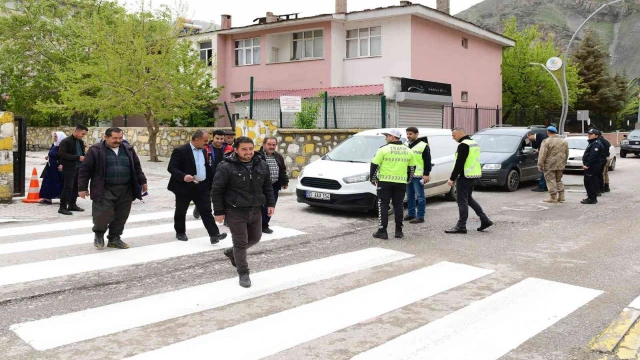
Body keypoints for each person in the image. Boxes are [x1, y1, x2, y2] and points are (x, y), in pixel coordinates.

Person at [211, 136, 276, 288]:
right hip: (235, 210)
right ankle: (243, 272)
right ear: (235, 150)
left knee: (256, 237)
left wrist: (270, 203)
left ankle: (231, 252)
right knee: (240, 243)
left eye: (250, 149)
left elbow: (267, 186)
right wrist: (218, 211)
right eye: (244, 149)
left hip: (255, 209)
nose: (248, 152)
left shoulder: (261, 164)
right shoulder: (225, 166)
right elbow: (217, 190)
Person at [78, 128, 148, 249]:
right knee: (102, 214)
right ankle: (99, 234)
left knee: (121, 215)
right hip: (104, 188)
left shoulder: (128, 150)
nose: (118, 141)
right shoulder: (96, 150)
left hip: (126, 188)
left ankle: (114, 238)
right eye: (114, 138)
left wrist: (142, 181)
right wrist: (82, 188)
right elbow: (85, 170)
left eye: (120, 138)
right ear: (106, 137)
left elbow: (137, 167)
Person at [167, 130, 227, 244]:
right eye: (205, 141)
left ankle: (214, 235)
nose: (207, 143)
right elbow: (171, 167)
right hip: (184, 186)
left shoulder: (204, 150)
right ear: (196, 140)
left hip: (201, 186)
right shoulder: (180, 150)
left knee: (206, 211)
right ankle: (180, 232)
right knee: (181, 210)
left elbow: (204, 167)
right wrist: (183, 176)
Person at [370, 129, 417, 240]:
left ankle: (382, 231)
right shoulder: (408, 150)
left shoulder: (383, 149)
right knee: (399, 205)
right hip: (400, 182)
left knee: (383, 205)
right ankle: (399, 231)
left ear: (392, 137)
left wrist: (372, 178)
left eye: (387, 136)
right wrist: (408, 180)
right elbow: (412, 167)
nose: (385, 138)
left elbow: (374, 164)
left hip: (385, 182)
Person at [446, 127, 493, 234]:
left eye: (454, 135)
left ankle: (461, 226)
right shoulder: (474, 143)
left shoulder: (464, 145)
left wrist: (452, 178)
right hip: (474, 175)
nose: (453, 138)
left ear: (460, 134)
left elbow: (460, 163)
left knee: (462, 201)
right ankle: (485, 220)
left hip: (465, 176)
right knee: (469, 199)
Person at [193, 130, 232, 220]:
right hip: (208, 177)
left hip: (223, 177)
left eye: (222, 138)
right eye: (217, 138)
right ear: (213, 138)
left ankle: (226, 218)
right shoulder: (205, 148)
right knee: (206, 197)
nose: (219, 140)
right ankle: (198, 208)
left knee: (224, 197)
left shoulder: (229, 149)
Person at [258, 137, 289, 234]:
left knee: (271, 206)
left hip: (274, 185)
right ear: (264, 144)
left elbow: (283, 170)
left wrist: (285, 182)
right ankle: (257, 226)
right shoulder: (257, 156)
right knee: (261, 207)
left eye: (273, 145)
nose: (271, 147)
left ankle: (264, 225)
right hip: (260, 186)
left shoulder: (278, 156)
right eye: (269, 144)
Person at [58, 124, 88, 215]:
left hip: (79, 167)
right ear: (77, 131)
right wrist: (77, 158)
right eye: (82, 134)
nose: (83, 136)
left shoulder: (81, 142)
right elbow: (62, 154)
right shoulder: (66, 141)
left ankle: (72, 204)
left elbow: (82, 153)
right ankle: (62, 207)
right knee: (68, 187)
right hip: (69, 168)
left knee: (76, 187)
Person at [404, 127, 431, 224]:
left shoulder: (423, 146)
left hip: (418, 175)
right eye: (407, 134)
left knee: (420, 196)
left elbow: (427, 161)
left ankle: (420, 216)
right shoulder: (405, 145)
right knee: (410, 195)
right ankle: (411, 213)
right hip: (408, 174)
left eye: (410, 134)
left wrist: (426, 174)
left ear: (416, 134)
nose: (408, 136)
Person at [537, 126, 569, 203]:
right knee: (558, 180)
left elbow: (542, 154)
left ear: (548, 132)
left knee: (550, 180)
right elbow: (567, 153)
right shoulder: (564, 141)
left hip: (549, 165)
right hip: (560, 164)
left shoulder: (546, 141)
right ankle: (561, 196)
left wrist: (540, 164)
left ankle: (553, 197)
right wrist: (564, 162)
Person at [39, 131, 66, 205]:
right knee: (47, 181)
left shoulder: (63, 146)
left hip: (57, 168)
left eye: (56, 136)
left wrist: (62, 164)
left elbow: (64, 156)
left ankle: (63, 198)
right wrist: (48, 156)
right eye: (54, 136)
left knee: (58, 182)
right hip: (50, 167)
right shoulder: (54, 145)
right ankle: (47, 198)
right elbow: (51, 153)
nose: (54, 138)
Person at [581, 128, 605, 205]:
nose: (589, 135)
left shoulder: (596, 144)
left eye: (591, 134)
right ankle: (590, 197)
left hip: (592, 167)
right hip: (591, 166)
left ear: (596, 135)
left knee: (590, 182)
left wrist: (587, 165)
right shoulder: (592, 142)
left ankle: (592, 198)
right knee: (589, 182)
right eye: (588, 134)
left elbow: (593, 156)